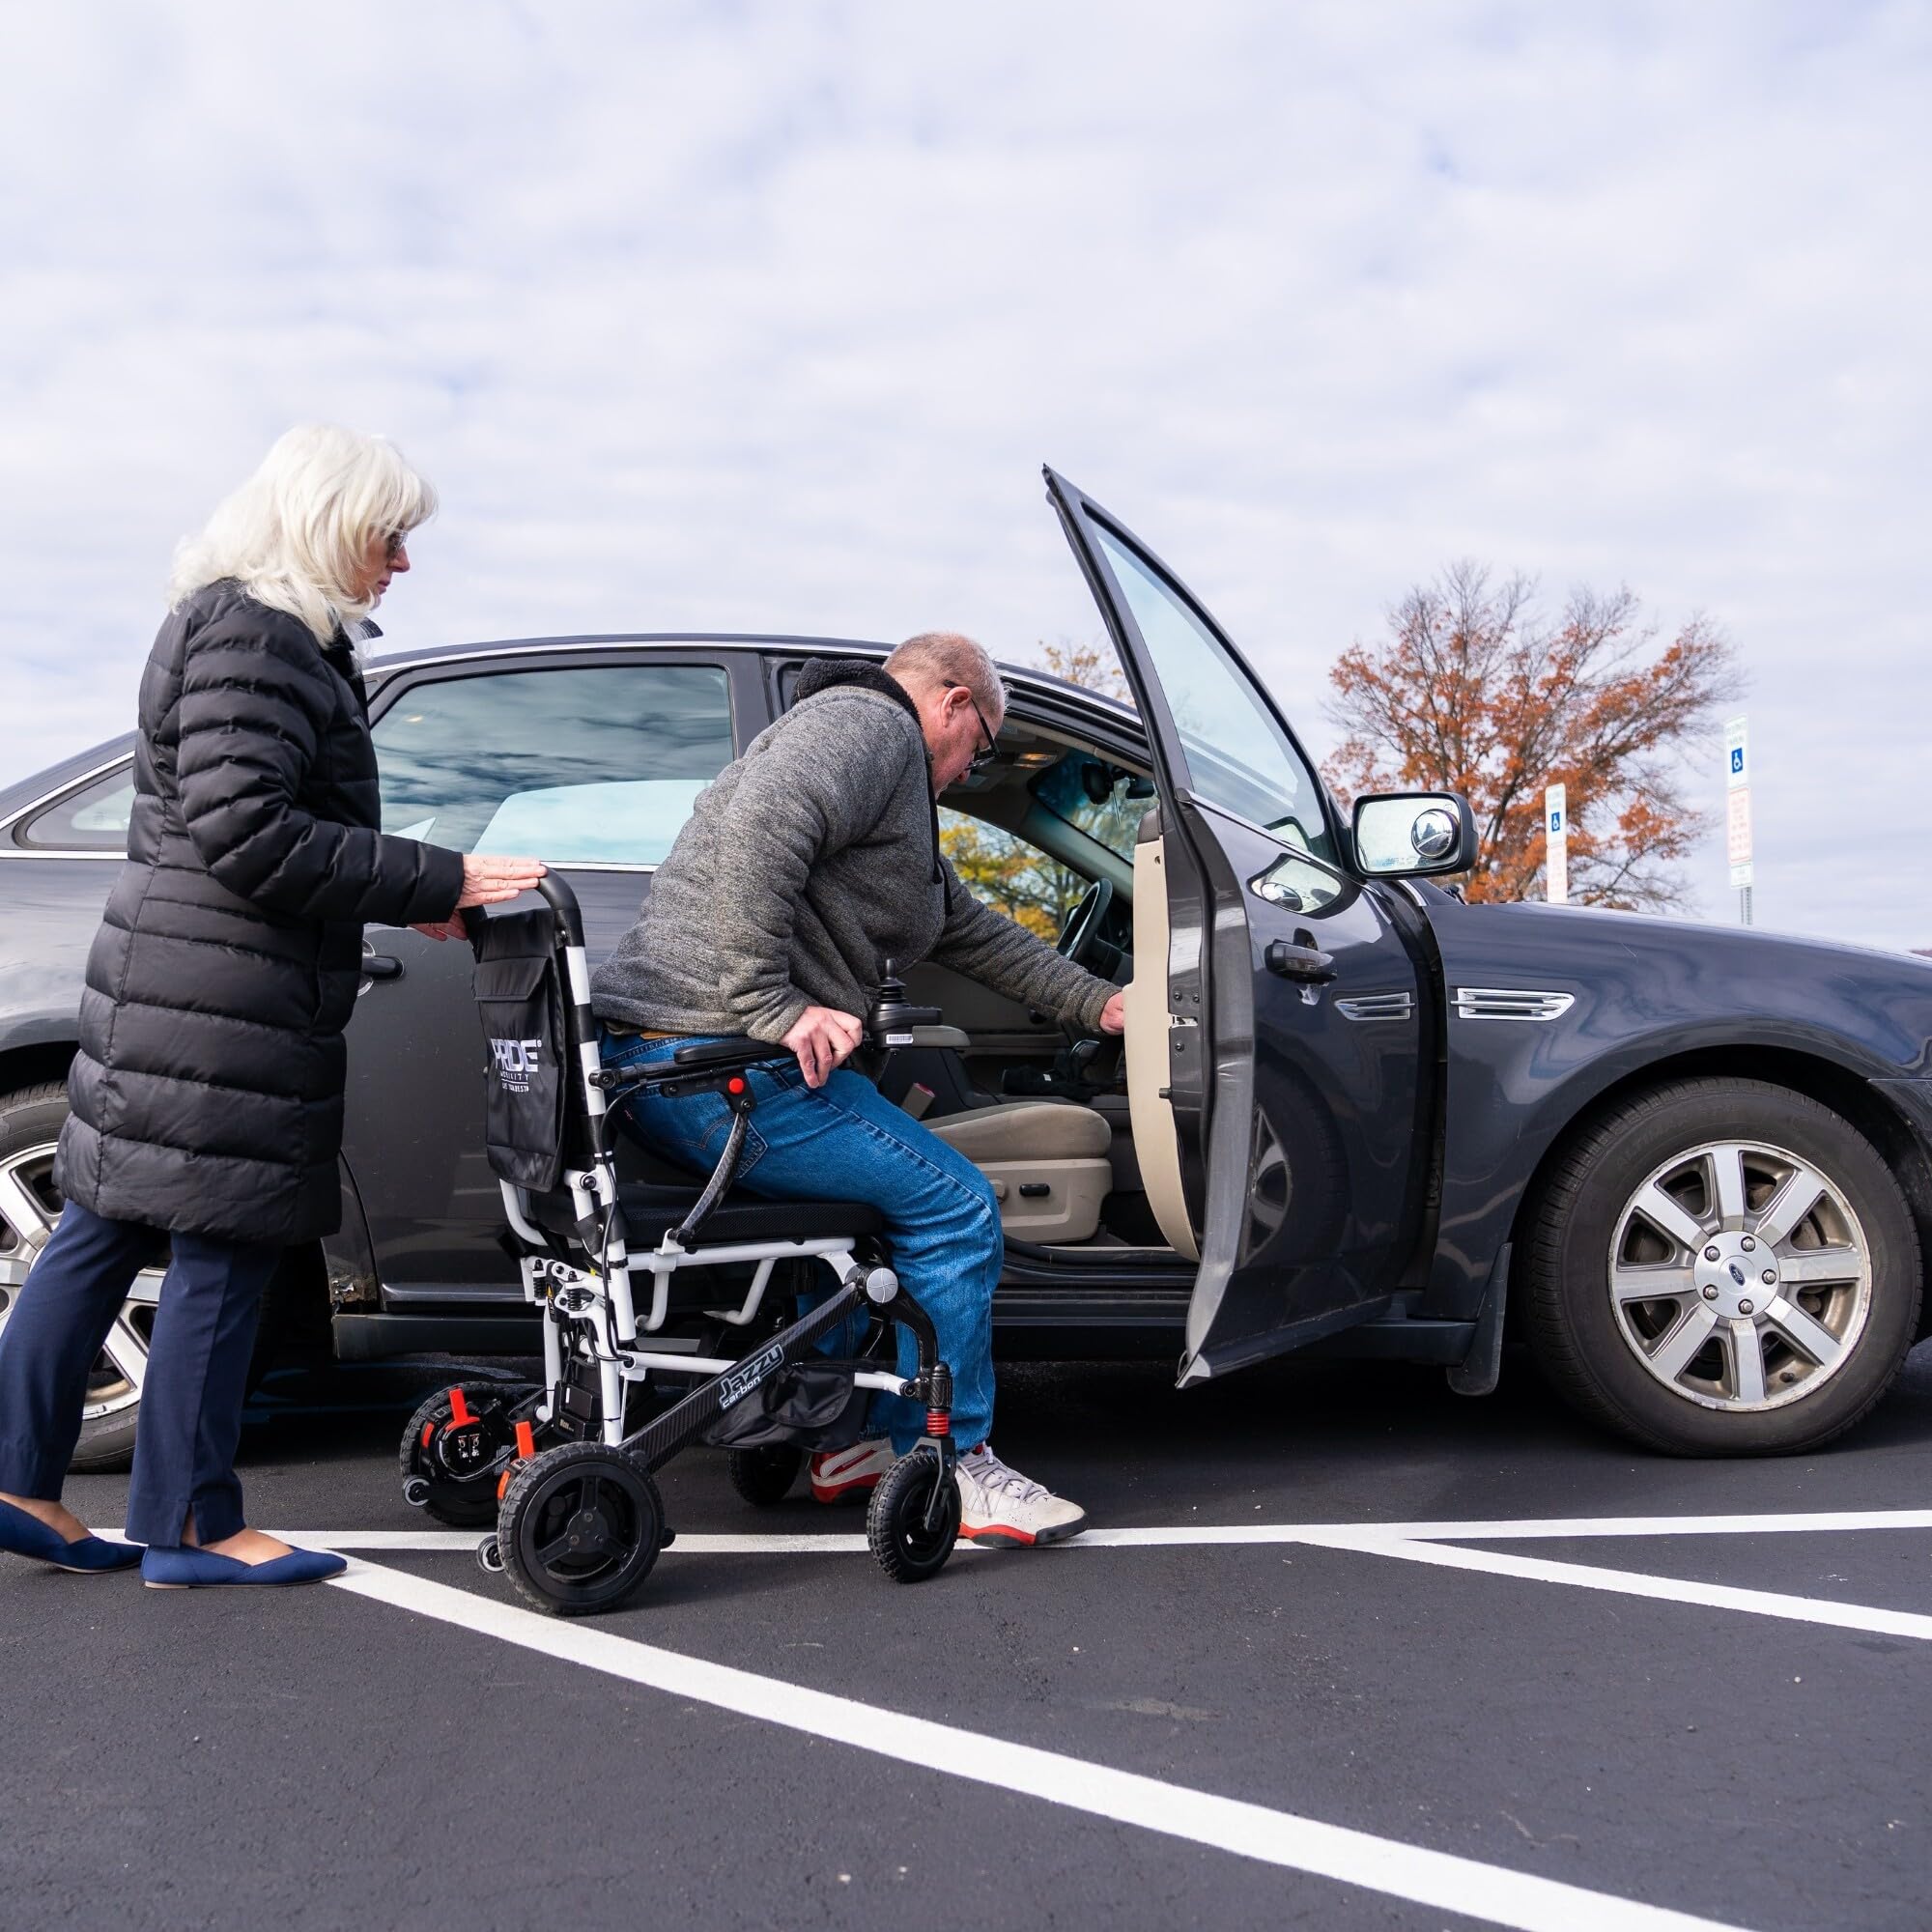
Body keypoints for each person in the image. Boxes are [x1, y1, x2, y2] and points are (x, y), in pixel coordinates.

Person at [0, 425, 544, 1588]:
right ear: (324, 520)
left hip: (180, 982)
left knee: (98, 1227)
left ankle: (18, 1481)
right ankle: (191, 1528)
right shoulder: (260, 634)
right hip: (230, 999)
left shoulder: (239, 625)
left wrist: (410, 898)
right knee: (227, 1241)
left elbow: (240, 826)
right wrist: (439, 877)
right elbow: (248, 831)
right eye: (389, 535)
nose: (401, 561)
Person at [591, 631, 1123, 1546]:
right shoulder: (868, 726)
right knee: (958, 1208)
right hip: (720, 1071)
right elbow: (764, 818)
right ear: (954, 702)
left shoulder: (892, 787)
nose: (967, 771)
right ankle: (958, 1464)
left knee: (867, 1213)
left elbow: (967, 928)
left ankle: (851, 1445)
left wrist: (1101, 1003)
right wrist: (773, 1003)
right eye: (981, 748)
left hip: (689, 1067)